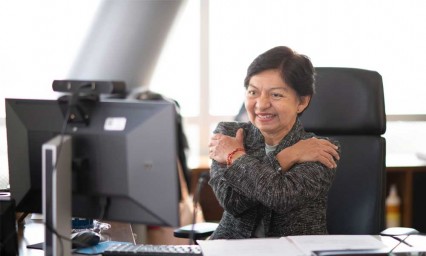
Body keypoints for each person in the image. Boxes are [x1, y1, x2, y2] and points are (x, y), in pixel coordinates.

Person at [207, 46, 340, 239]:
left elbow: (281, 197)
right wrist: (289, 156)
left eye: (276, 94)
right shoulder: (228, 135)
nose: (261, 104)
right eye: (253, 92)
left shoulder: (320, 148)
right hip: (232, 249)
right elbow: (232, 202)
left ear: (302, 102)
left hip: (295, 252)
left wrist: (235, 157)